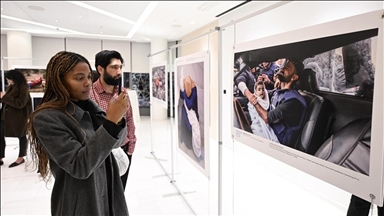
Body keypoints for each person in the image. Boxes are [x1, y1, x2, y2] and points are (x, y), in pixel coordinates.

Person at [28, 51, 129, 216]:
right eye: (79, 78)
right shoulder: (46, 118)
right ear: (59, 82)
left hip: (107, 188)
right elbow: (79, 166)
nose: (88, 83)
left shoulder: (89, 106)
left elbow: (117, 142)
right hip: (80, 200)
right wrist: (111, 123)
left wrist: (117, 120)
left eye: (89, 77)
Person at [89, 50, 136, 190]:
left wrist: (130, 148)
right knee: (104, 195)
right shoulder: (90, 94)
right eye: (114, 67)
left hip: (123, 149)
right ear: (100, 69)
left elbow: (129, 119)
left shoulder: (122, 92)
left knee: (120, 192)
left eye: (120, 67)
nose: (119, 71)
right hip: (102, 153)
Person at [247, 58, 307, 147]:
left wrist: (253, 101)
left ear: (294, 77)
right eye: (282, 66)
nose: (282, 69)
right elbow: (266, 94)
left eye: (287, 68)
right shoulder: (279, 91)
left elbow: (266, 118)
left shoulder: (293, 101)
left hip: (276, 141)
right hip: (270, 129)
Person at [0, 69, 32, 167]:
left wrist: (5, 97)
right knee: (0, 135)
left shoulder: (23, 89)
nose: (8, 81)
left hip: (18, 118)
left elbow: (20, 104)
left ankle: (21, 157)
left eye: (9, 79)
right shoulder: (12, 87)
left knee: (21, 136)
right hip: (6, 116)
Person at [179, 67, 202, 159]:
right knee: (192, 132)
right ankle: (197, 153)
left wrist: (184, 91)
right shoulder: (186, 90)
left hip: (193, 115)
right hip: (188, 115)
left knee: (197, 133)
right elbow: (182, 96)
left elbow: (189, 104)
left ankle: (198, 153)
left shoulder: (194, 89)